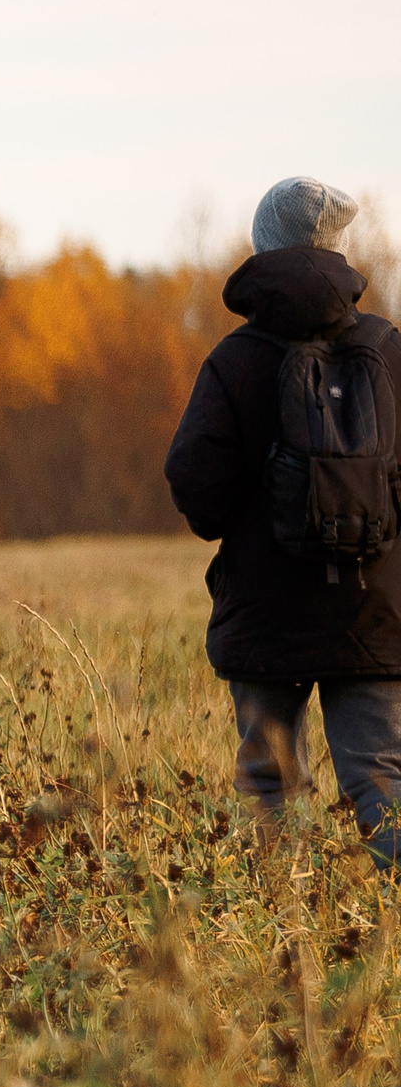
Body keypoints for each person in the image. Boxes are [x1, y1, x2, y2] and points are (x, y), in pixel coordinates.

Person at [166, 177, 401, 862]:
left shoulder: (235, 360)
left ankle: (283, 937)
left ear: (264, 246)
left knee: (271, 785)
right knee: (383, 781)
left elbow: (195, 485)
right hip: (377, 614)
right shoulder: (390, 350)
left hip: (266, 613)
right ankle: (391, 942)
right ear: (339, 249)